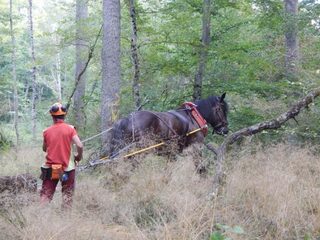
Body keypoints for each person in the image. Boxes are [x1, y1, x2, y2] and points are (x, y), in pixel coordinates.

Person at [40, 102, 83, 208]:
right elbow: (80, 145)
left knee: (46, 195)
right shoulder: (71, 129)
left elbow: (45, 149)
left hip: (51, 168)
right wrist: (78, 157)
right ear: (64, 115)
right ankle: (65, 219)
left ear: (52, 116)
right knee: (67, 195)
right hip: (67, 169)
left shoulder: (46, 131)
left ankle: (39, 216)